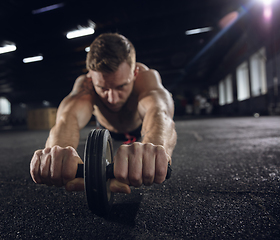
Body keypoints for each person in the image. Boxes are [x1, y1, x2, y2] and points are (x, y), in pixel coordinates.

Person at [30, 33, 177, 194]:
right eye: (103, 88)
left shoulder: (146, 78)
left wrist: (155, 147)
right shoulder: (85, 85)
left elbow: (160, 112)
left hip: (138, 127)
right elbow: (67, 118)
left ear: (134, 73)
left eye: (121, 86)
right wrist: (57, 152)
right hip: (105, 129)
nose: (112, 98)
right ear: (91, 78)